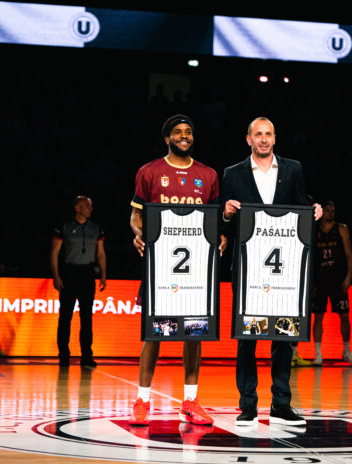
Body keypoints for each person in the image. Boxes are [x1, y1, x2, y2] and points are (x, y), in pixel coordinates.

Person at [220, 116, 321, 426]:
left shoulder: (293, 169)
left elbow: (300, 209)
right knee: (246, 337)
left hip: (284, 270)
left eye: (268, 134)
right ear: (248, 139)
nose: (263, 139)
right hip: (248, 268)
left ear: (275, 138)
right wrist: (225, 214)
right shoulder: (232, 174)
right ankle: (247, 405)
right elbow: (223, 222)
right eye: (258, 134)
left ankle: (281, 404)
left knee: (284, 335)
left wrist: (314, 211)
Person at [128, 114, 226, 426]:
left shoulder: (208, 175)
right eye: (178, 132)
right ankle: (142, 400)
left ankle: (190, 401)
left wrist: (221, 237)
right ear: (167, 138)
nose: (184, 136)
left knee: (194, 332)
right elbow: (135, 217)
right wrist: (139, 234)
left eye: (188, 132)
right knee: (154, 333)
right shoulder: (149, 171)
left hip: (195, 270)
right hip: (161, 266)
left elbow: (213, 220)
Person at [50, 196, 106, 368]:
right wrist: (56, 276)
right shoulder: (64, 226)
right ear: (77, 207)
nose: (90, 208)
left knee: (87, 318)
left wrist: (103, 274)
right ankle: (63, 354)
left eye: (91, 205)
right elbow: (54, 252)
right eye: (87, 205)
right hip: (69, 273)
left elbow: (101, 253)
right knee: (65, 317)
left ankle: (87, 356)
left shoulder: (96, 228)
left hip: (87, 274)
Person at [309, 200, 352, 367]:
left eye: (333, 210)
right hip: (320, 279)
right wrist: (311, 281)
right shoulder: (314, 229)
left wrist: (348, 277)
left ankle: (346, 351)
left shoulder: (341, 229)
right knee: (318, 317)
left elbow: (349, 255)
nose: (331, 213)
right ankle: (318, 354)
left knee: (344, 315)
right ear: (322, 211)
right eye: (328, 210)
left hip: (338, 279)